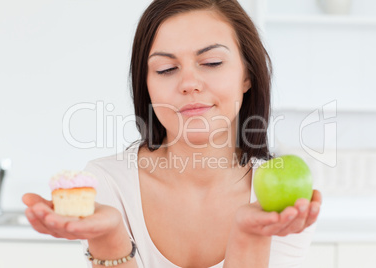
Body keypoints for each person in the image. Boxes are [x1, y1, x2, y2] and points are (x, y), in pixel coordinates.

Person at [23, 0, 322, 267]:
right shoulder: (108, 184)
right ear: (147, 86)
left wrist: (249, 236)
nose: (189, 83)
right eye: (166, 69)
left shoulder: (284, 199)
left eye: (212, 63)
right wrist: (110, 238)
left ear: (247, 75)